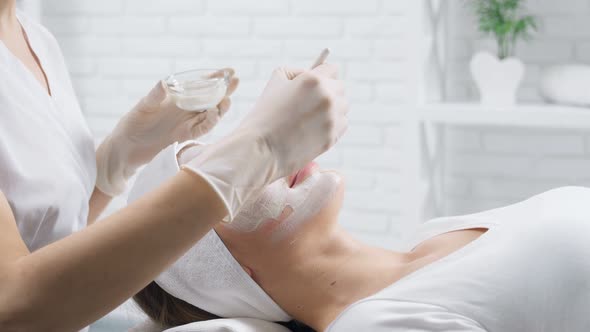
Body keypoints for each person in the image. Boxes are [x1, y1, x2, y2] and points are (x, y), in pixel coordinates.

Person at [0, 1, 349, 331]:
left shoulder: (36, 40)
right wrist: (256, 150)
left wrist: (114, 162)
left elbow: (43, 235)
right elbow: (11, 303)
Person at [130, 147, 590, 331]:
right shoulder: (379, 324)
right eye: (229, 177)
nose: (268, 154)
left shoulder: (437, 235)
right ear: (223, 273)